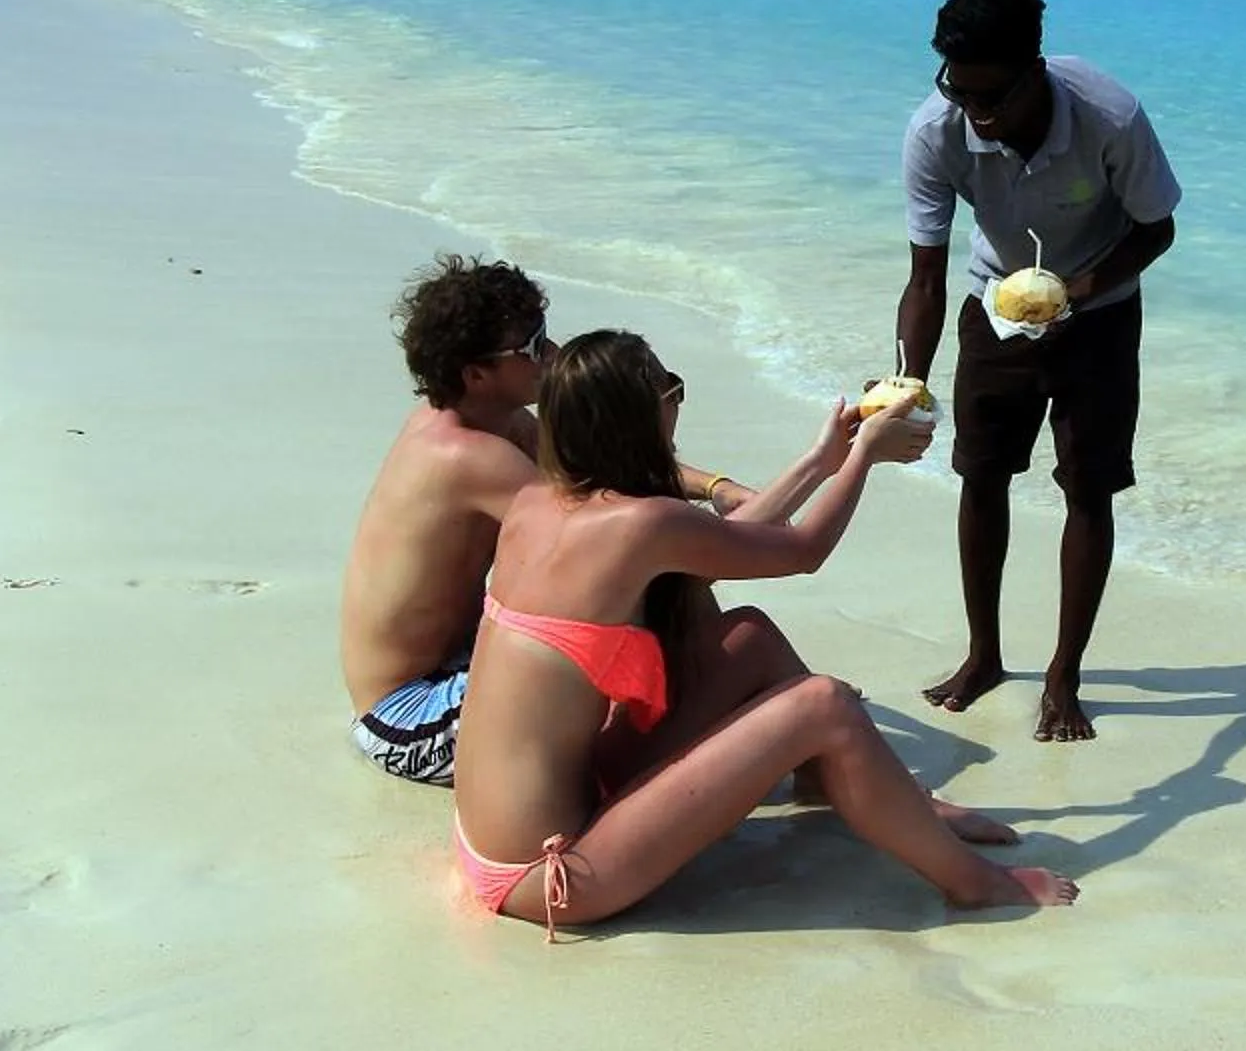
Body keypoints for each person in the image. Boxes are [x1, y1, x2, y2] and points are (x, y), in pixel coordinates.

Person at [450, 331, 1075, 935]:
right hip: (554, 873)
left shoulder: (542, 501)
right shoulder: (641, 524)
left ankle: (838, 785)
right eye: (670, 390)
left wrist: (818, 461)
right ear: (638, 418)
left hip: (514, 824)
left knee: (749, 635)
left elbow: (730, 542)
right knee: (824, 703)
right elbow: (801, 550)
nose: (676, 401)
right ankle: (972, 883)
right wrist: (863, 459)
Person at [342, 255, 771, 784]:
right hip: (411, 716)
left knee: (651, 588)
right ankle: (678, 734)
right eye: (531, 346)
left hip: (458, 667)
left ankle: (704, 697)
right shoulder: (467, 456)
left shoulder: (491, 420)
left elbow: (594, 469)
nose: (551, 351)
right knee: (649, 581)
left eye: (544, 333)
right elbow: (610, 535)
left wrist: (716, 487)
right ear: (476, 373)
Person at [894, 0, 1181, 742]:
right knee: (980, 477)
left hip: (1101, 314)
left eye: (993, 97)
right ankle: (984, 654)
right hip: (994, 310)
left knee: (1089, 489)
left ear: (1036, 68)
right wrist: (907, 382)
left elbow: (1157, 229)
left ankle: (1064, 672)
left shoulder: (1109, 116)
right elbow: (925, 275)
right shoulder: (936, 131)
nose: (977, 115)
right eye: (961, 93)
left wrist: (1076, 294)